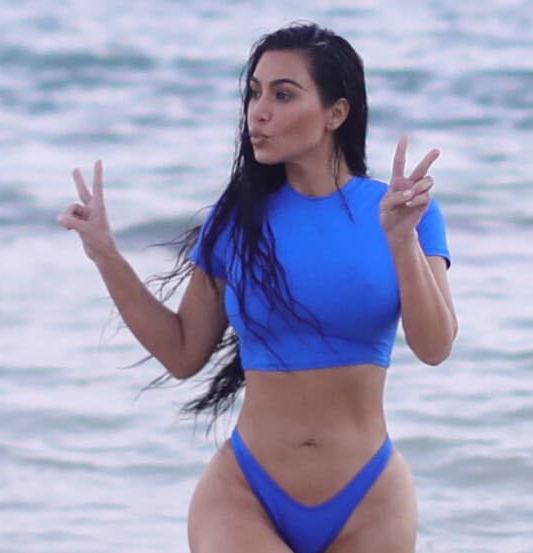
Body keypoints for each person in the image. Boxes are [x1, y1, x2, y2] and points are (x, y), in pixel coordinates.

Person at [57, 23, 454, 552]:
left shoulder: (402, 212)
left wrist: (401, 239)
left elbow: (435, 346)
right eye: (254, 93)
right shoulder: (237, 220)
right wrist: (105, 253)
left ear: (336, 113)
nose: (258, 112)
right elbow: (183, 352)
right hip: (246, 495)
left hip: (369, 499)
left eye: (282, 95)